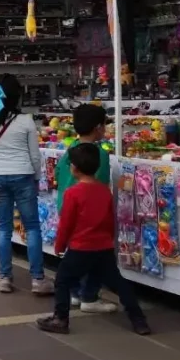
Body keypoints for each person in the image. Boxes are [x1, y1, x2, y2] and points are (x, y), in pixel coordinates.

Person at [36, 143, 151, 335]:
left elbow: (66, 224)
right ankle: (138, 319)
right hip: (103, 247)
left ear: (74, 168)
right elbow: (109, 220)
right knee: (119, 284)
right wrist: (109, 241)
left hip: (80, 247)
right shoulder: (104, 191)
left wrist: (59, 245)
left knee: (63, 280)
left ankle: (60, 318)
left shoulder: (72, 194)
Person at [0, 74, 52, 295]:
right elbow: (35, 157)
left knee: (3, 228)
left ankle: (4, 278)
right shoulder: (26, 121)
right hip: (24, 176)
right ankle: (38, 279)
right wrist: (36, 179)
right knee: (32, 227)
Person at [56, 104, 117, 313]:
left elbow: (57, 175)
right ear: (98, 127)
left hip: (65, 205)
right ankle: (89, 296)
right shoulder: (99, 154)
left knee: (74, 254)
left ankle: (74, 292)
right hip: (87, 213)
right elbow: (100, 185)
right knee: (94, 257)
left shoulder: (69, 149)